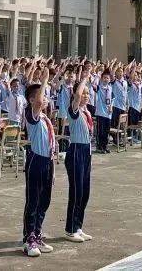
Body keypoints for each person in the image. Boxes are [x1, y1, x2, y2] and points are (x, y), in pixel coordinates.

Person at [21, 72, 56, 257]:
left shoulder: (44, 118)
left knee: (44, 201)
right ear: (33, 100)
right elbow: (37, 103)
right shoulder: (31, 114)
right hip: (36, 161)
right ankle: (29, 239)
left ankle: (38, 233)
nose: (46, 99)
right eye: (42, 96)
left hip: (47, 162)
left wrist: (53, 168)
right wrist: (43, 81)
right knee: (33, 201)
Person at [64, 69, 94, 243]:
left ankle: (78, 226)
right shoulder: (73, 110)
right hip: (76, 151)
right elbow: (76, 95)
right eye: (84, 94)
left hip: (87, 151)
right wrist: (84, 79)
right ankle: (70, 228)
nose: (86, 96)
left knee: (85, 192)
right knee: (76, 191)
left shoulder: (87, 112)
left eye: (88, 94)